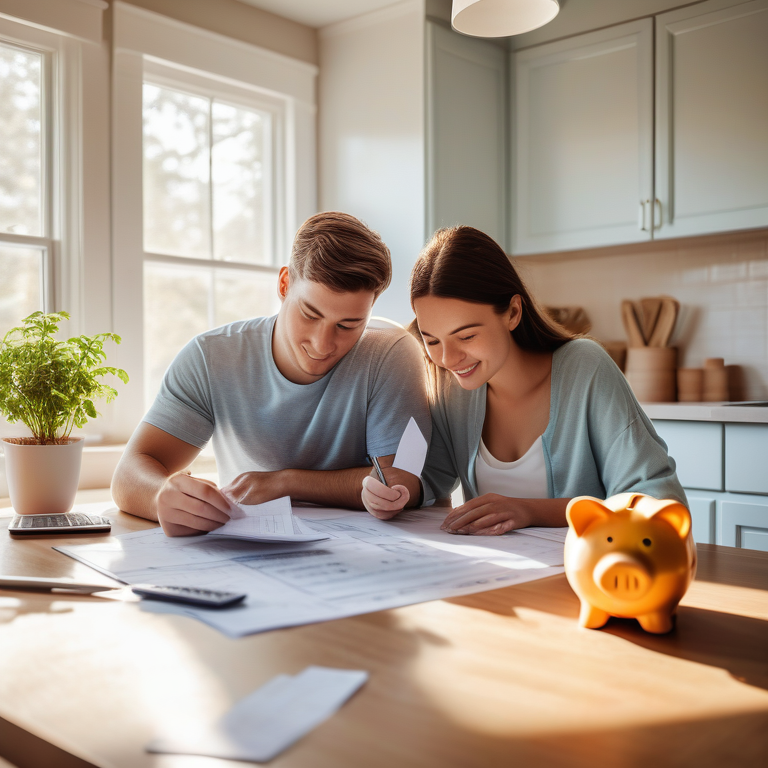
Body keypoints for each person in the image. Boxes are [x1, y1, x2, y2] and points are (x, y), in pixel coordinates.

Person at [112, 212, 430, 537]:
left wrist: (284, 482)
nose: (323, 344)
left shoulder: (390, 354)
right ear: (283, 284)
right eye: (310, 314)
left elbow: (399, 480)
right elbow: (129, 474)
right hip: (243, 554)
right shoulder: (212, 357)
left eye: (348, 325)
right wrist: (160, 498)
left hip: (366, 556)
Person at [361, 225, 686, 535]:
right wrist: (396, 491)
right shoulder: (451, 387)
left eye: (467, 335)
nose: (447, 359)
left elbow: (656, 499)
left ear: (513, 312)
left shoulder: (585, 368)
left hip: (591, 577)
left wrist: (531, 511)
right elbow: (429, 478)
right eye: (432, 341)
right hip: (500, 580)